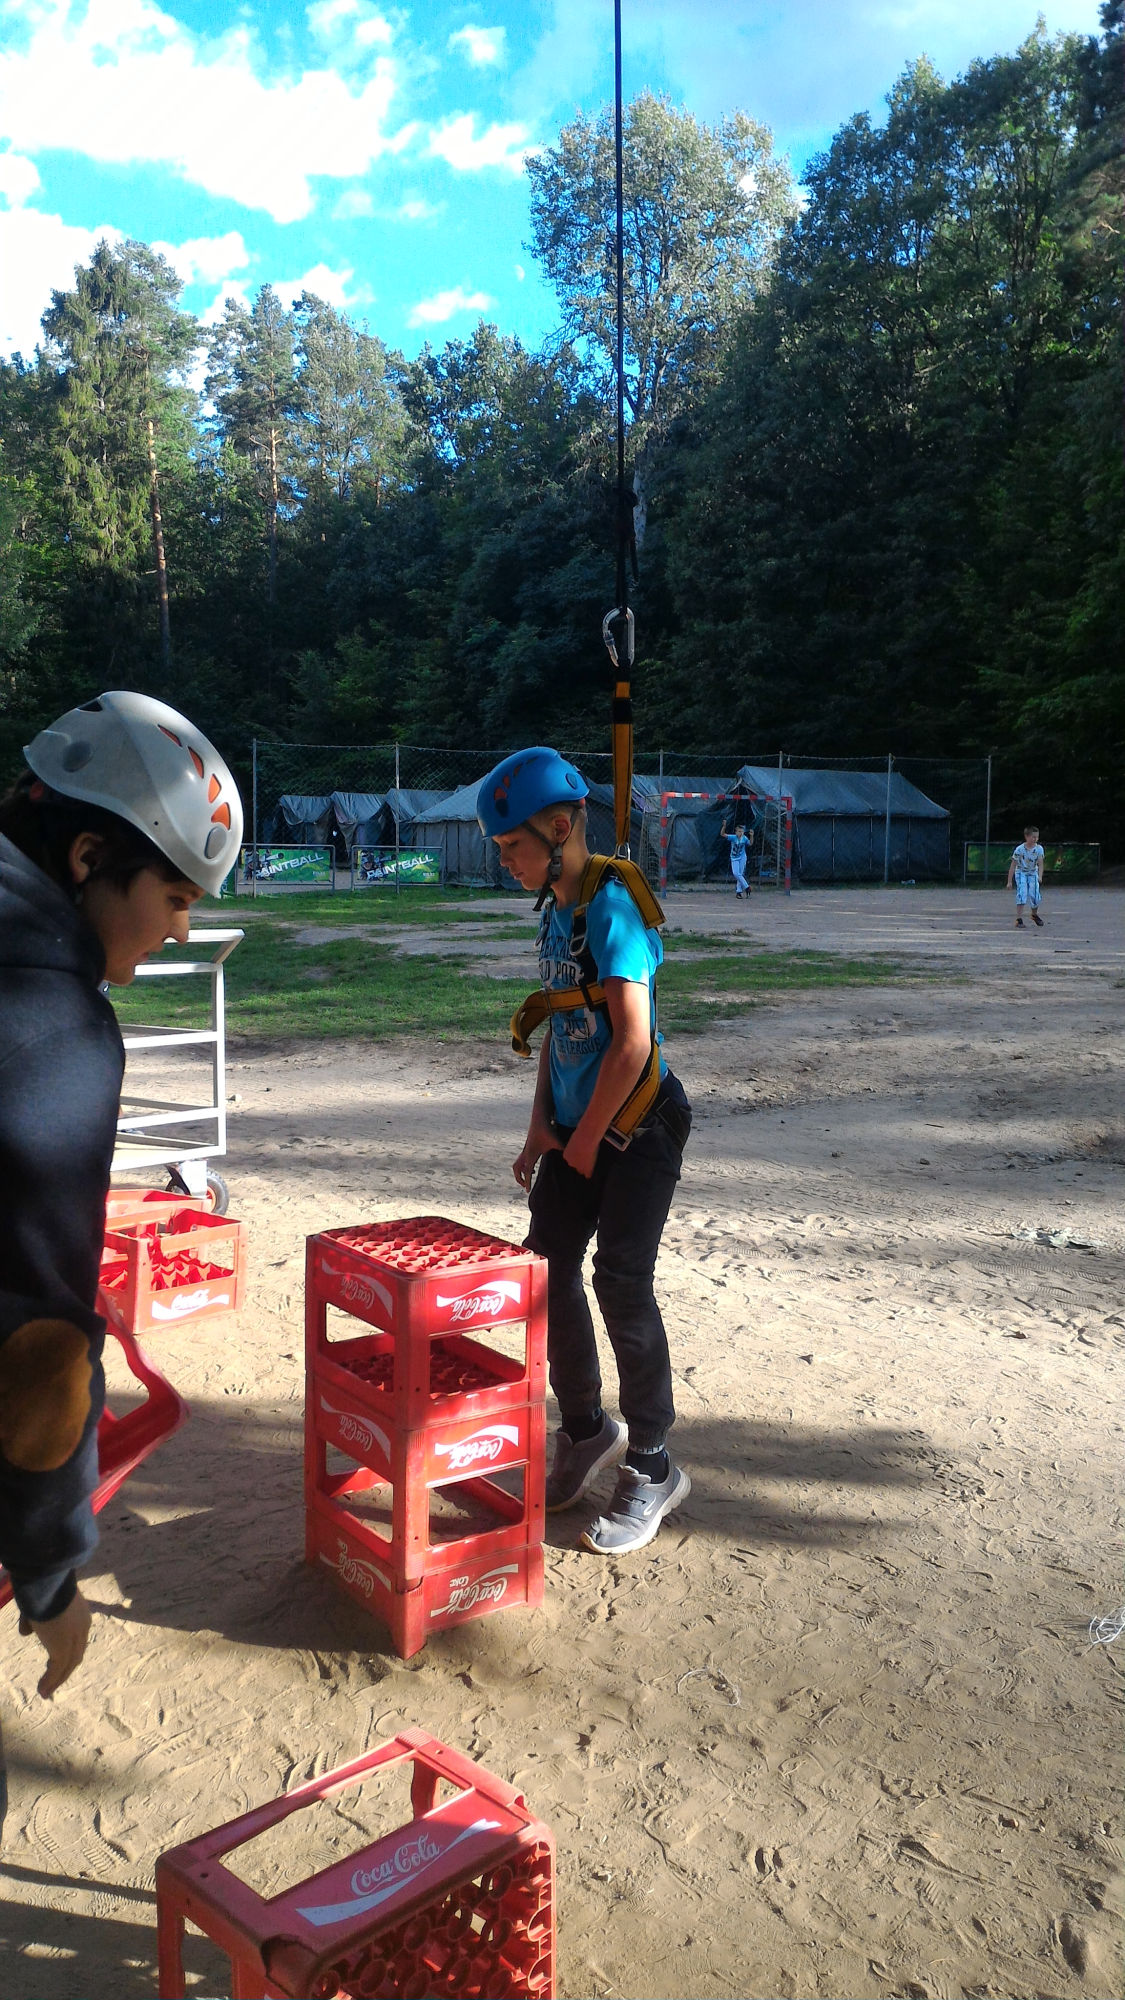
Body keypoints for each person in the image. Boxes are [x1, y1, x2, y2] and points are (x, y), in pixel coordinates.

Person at [0, 691, 242, 1815]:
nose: (180, 930)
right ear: (89, 856)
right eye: (175, 897)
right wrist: (52, 1572)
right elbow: (39, 1353)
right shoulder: (51, 1030)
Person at [477, 747, 692, 1556]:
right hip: (577, 1131)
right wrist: (542, 1124)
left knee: (620, 1281)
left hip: (640, 1127)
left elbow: (631, 1044)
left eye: (512, 845)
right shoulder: (553, 910)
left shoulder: (613, 907)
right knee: (546, 1268)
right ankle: (584, 1428)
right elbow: (561, 1021)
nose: (505, 860)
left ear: (560, 827)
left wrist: (589, 1141)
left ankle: (652, 1464)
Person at [1006, 826, 1045, 929]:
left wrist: (1040, 876)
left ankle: (1034, 914)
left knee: (1035, 895)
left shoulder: (1039, 849)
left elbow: (1040, 863)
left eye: (1037, 837)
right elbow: (1013, 865)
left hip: (1032, 872)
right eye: (1033, 837)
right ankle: (1019, 919)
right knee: (1022, 893)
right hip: (1021, 872)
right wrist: (1009, 881)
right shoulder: (1019, 849)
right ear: (1027, 836)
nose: (1035, 839)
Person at [720, 813, 754, 897]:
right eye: (739, 831)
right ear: (736, 832)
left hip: (742, 857)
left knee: (740, 874)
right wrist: (724, 826)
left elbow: (750, 843)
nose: (741, 833)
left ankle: (739, 892)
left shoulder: (744, 838)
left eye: (742, 831)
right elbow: (722, 834)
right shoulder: (733, 837)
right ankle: (747, 887)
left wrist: (751, 836)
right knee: (736, 873)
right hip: (734, 858)